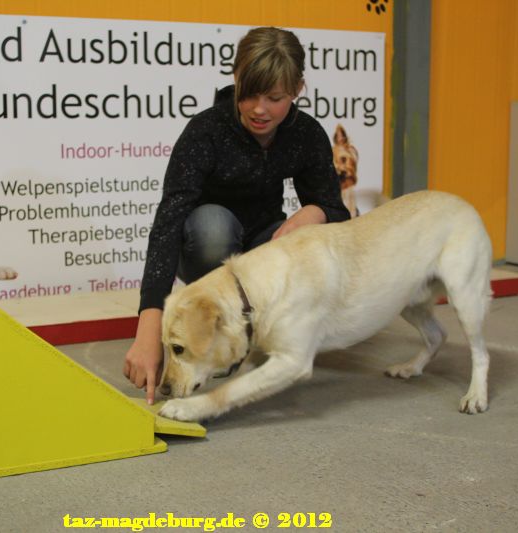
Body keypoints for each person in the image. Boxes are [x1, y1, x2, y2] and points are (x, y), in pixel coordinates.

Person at [123, 26, 350, 404]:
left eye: (274, 98)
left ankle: (264, 336)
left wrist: (315, 211)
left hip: (260, 244)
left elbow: (338, 214)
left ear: (297, 89)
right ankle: (216, 329)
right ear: (236, 77)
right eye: (249, 93)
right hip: (204, 247)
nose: (259, 109)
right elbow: (168, 222)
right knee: (214, 226)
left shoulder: (306, 134)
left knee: (302, 241)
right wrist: (150, 326)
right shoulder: (206, 131)